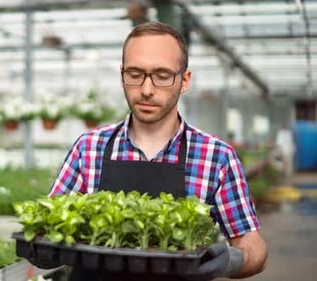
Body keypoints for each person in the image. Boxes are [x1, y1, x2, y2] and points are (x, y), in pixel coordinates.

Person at [30, 21, 268, 281]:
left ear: (184, 79)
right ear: (122, 75)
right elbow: (49, 224)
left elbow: (252, 244)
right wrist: (41, 244)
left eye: (162, 75)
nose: (146, 89)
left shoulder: (217, 156)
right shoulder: (89, 148)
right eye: (135, 74)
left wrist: (231, 261)